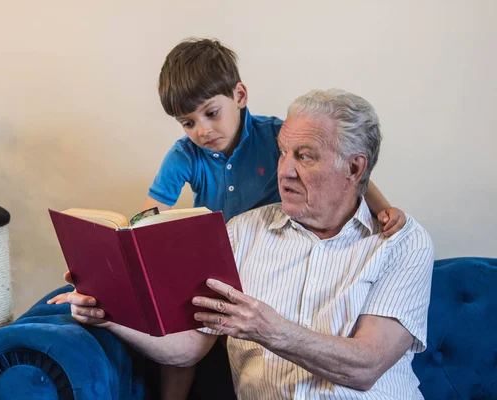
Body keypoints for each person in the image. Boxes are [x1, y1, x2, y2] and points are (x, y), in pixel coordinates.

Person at [51, 39, 407, 399]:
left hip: (277, 243)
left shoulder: (277, 135)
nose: (202, 131)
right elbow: (149, 214)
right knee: (183, 347)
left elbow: (347, 166)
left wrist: (382, 210)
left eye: (211, 113)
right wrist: (122, 268)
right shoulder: (185, 155)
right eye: (188, 122)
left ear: (239, 95)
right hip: (223, 251)